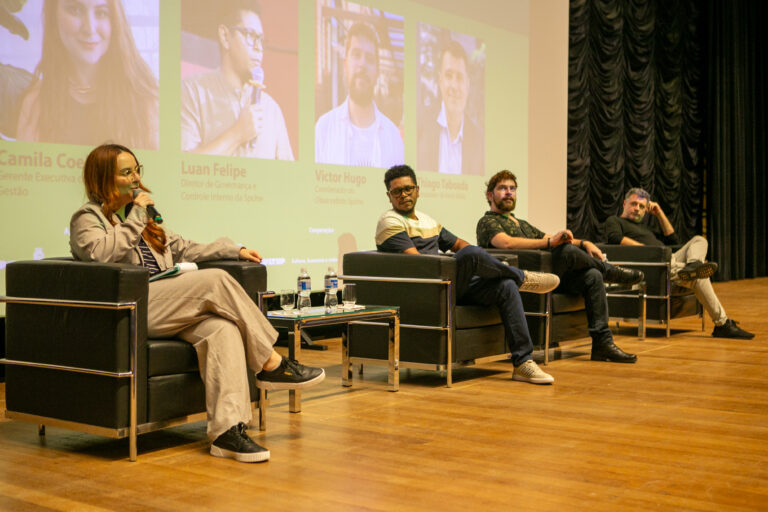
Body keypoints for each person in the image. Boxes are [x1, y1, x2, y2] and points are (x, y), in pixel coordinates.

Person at [69, 144, 325, 462]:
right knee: (214, 280)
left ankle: (227, 433)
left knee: (222, 329)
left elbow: (185, 248)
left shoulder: (146, 221)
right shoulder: (88, 218)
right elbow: (101, 254)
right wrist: (136, 217)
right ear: (103, 178)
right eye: (126, 172)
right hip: (132, 310)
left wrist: (234, 250)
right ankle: (270, 363)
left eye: (137, 170)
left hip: (168, 306)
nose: (135, 178)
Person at [376, 164, 560, 384]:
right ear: (389, 196)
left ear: (417, 190)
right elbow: (419, 263)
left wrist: (477, 263)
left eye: (408, 189)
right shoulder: (389, 221)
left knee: (505, 286)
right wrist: (461, 261)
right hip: (426, 289)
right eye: (397, 191)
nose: (404, 195)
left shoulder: (427, 221)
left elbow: (459, 244)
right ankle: (522, 277)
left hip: (450, 284)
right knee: (471, 254)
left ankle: (523, 362)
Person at [476, 170, 644, 363]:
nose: (508, 192)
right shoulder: (487, 221)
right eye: (502, 188)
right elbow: (506, 243)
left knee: (592, 275)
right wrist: (551, 243)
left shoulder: (521, 223)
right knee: (567, 252)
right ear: (490, 195)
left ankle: (602, 344)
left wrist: (584, 243)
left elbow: (549, 237)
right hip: (523, 280)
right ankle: (609, 271)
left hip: (546, 276)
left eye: (512, 188)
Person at [604, 187, 754, 339]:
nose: (637, 208)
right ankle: (722, 324)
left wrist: (659, 213)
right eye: (634, 204)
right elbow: (615, 239)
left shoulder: (644, 228)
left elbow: (673, 239)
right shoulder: (614, 221)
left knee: (699, 240)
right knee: (699, 277)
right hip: (654, 265)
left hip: (669, 258)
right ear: (624, 204)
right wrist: (650, 251)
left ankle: (693, 265)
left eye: (642, 206)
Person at [16, 0, 158, 149]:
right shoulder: (35, 105)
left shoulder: (148, 101)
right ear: (54, 16)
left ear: (116, 21)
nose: (89, 29)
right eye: (75, 11)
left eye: (101, 13)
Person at [181, 0, 293, 159]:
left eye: (261, 40)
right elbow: (182, 165)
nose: (259, 48)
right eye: (250, 35)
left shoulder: (271, 109)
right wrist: (237, 134)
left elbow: (287, 173)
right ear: (225, 36)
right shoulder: (192, 92)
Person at [315, 22, 404, 168]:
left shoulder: (393, 137)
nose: (362, 64)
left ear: (377, 72)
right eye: (356, 55)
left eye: (369, 58)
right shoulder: (323, 129)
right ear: (345, 64)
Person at [417, 39, 483, 176]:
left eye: (459, 77)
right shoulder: (420, 123)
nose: (454, 85)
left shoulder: (479, 140)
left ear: (467, 85)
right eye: (448, 76)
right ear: (440, 80)